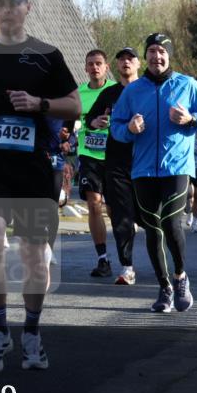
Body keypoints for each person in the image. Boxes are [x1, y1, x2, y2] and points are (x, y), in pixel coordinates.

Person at [0, 0, 81, 373]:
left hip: (34, 168)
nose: (7, 10)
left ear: (28, 8)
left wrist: (41, 103)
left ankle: (32, 334)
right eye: (1, 3)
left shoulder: (48, 54)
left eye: (15, 3)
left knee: (33, 258)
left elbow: (75, 105)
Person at [110, 33, 197, 313]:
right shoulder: (132, 91)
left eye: (162, 52)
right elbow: (116, 127)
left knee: (171, 223)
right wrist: (129, 129)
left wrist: (191, 119)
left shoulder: (187, 85)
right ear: (145, 57)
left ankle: (180, 276)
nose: (157, 57)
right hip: (143, 170)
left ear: (169, 56)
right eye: (152, 52)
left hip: (177, 167)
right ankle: (164, 287)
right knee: (153, 228)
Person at [86, 46, 142, 284]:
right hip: (116, 162)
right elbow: (90, 119)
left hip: (145, 161)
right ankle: (127, 267)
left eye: (130, 59)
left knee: (150, 216)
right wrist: (96, 121)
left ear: (138, 64)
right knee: (120, 216)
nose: (126, 62)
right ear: (117, 66)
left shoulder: (148, 90)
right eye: (122, 60)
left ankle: (168, 265)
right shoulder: (110, 93)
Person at [77, 49, 118, 277]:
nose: (94, 67)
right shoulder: (78, 93)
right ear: (85, 68)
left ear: (106, 67)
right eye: (90, 64)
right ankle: (102, 258)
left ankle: (125, 256)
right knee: (94, 203)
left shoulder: (116, 92)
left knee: (113, 209)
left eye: (98, 63)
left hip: (113, 156)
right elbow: (67, 123)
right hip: (89, 155)